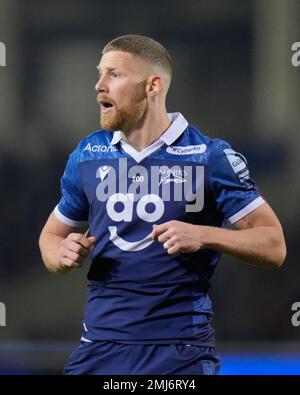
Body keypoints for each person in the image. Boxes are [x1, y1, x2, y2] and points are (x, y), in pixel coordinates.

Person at [39, 34, 286, 375]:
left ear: (152, 85)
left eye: (114, 74)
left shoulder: (209, 156)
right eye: (100, 73)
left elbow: (274, 244)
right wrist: (61, 254)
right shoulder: (88, 154)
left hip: (180, 355)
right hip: (98, 350)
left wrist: (206, 235)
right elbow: (50, 237)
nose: (99, 85)